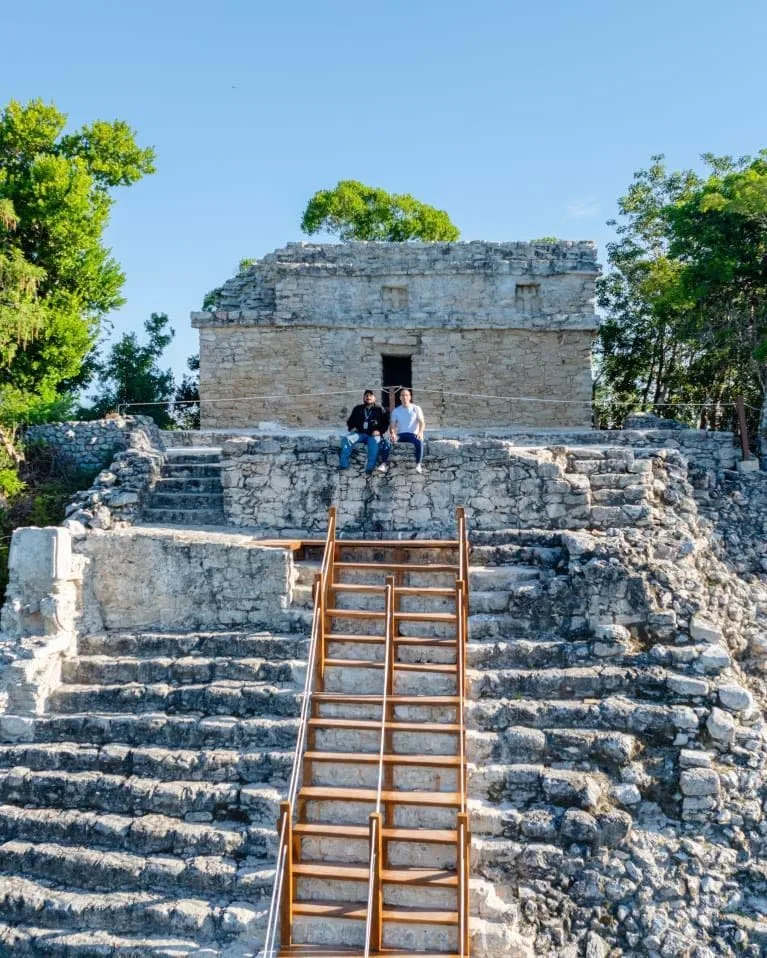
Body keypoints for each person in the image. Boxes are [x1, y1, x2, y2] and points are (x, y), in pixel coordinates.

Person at [339, 390, 390, 474]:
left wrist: (379, 431)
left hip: (373, 435)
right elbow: (350, 421)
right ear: (363, 398)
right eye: (366, 395)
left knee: (374, 445)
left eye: (370, 396)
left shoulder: (379, 409)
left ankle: (369, 469)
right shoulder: (357, 408)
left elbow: (386, 423)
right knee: (346, 439)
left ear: (374, 398)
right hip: (359, 434)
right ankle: (344, 465)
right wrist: (352, 427)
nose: (368, 397)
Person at [378, 388, 425, 473]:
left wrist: (420, 432)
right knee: (387, 441)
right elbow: (392, 424)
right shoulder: (396, 411)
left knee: (420, 442)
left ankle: (418, 464)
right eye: (402, 395)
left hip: (412, 435)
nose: (404, 397)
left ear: (410, 397)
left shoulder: (416, 408)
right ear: (400, 397)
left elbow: (422, 422)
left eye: (406, 395)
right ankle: (384, 464)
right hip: (400, 435)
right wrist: (392, 433)